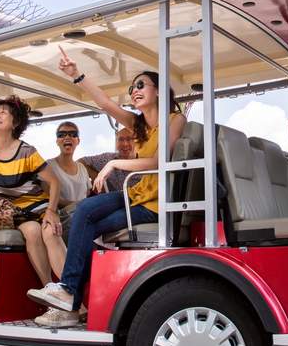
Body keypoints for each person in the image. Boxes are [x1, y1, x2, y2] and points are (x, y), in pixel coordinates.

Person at [28, 53, 186, 327]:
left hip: (155, 205)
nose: (134, 91)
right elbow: (104, 103)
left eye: (141, 85)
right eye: (132, 88)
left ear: (159, 90)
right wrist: (76, 74)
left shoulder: (174, 119)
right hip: (136, 196)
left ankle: (70, 301)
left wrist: (113, 163)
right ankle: (69, 297)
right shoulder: (139, 124)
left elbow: (160, 161)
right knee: (85, 211)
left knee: (91, 228)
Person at [0, 96, 63, 290]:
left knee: (50, 231)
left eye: (3, 112)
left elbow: (54, 182)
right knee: (32, 230)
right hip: (8, 212)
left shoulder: (27, 151)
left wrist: (51, 210)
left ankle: (72, 297)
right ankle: (50, 291)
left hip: (37, 207)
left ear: (15, 123)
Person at [78, 126, 135, 192]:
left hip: (139, 198)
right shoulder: (107, 158)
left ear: (136, 142)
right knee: (82, 202)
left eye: (129, 139)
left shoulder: (144, 160)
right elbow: (80, 162)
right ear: (116, 143)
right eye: (121, 139)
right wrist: (96, 177)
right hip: (113, 198)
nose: (125, 144)